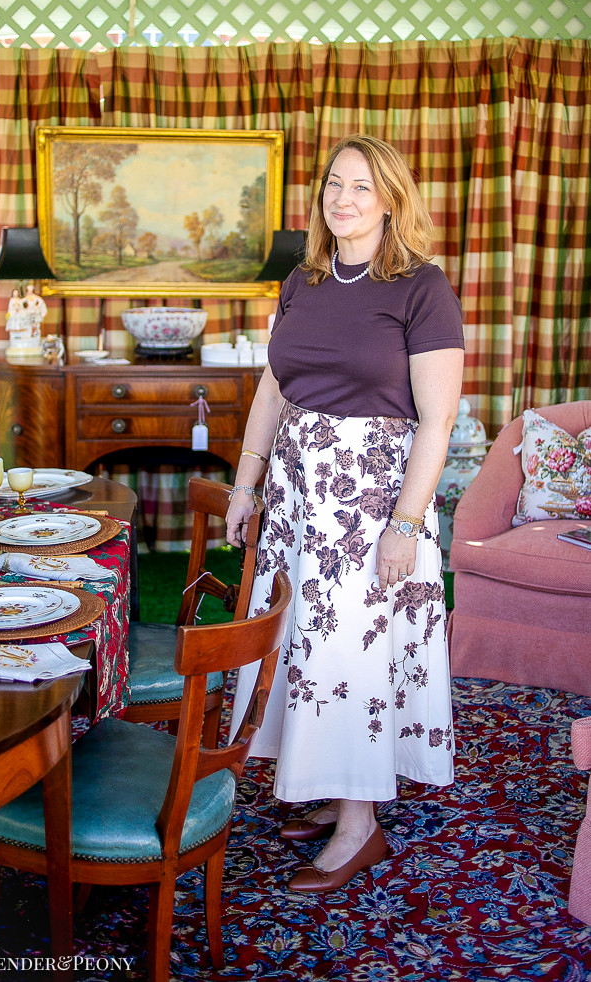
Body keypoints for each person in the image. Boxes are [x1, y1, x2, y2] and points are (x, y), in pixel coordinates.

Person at [226, 134, 465, 894]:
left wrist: (405, 525)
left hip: (373, 506)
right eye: (334, 183)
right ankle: (335, 788)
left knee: (352, 657)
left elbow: (437, 422)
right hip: (299, 496)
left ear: (391, 200)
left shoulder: (423, 287)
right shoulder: (302, 281)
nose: (343, 198)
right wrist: (245, 485)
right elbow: (274, 388)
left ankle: (360, 827)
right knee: (305, 646)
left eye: (362, 186)